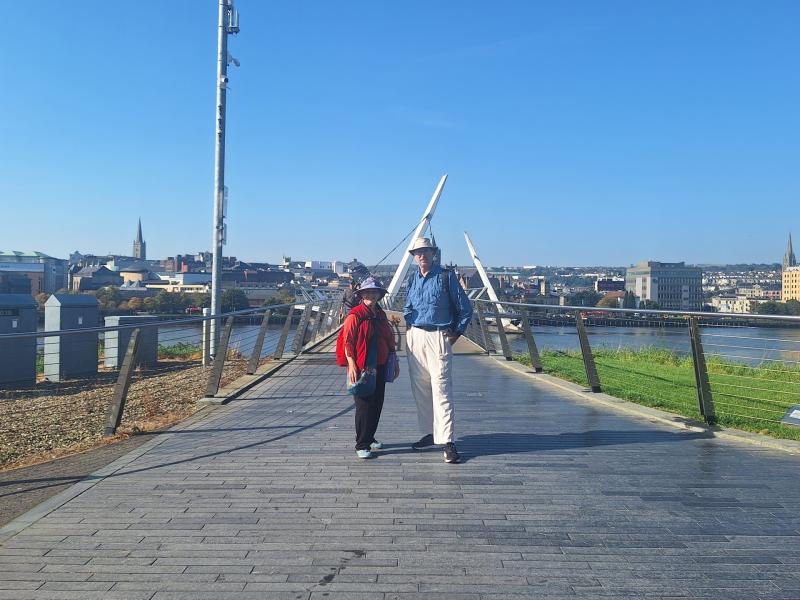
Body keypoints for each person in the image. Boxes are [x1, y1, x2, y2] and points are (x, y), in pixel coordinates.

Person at [403, 237, 473, 463]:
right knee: (420, 388)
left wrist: (457, 332)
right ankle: (430, 433)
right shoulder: (413, 279)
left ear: (433, 253)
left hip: (438, 336)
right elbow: (407, 306)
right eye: (418, 252)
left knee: (441, 389)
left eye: (425, 251)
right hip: (416, 336)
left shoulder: (446, 277)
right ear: (414, 256)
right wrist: (409, 328)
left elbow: (465, 308)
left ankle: (448, 442)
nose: (421, 255)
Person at [337, 277, 399, 459]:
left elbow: (388, 338)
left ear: (379, 295)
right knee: (363, 405)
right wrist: (352, 364)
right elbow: (347, 341)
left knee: (377, 402)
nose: (371, 294)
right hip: (361, 365)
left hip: (380, 363)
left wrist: (394, 360)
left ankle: (370, 437)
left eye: (374, 292)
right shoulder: (355, 315)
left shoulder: (380, 315)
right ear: (361, 295)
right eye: (367, 292)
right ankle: (361, 444)